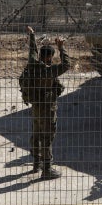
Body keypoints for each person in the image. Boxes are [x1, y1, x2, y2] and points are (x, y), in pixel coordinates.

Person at [19, 25, 71, 180]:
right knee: (47, 137)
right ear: (48, 58)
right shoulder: (49, 71)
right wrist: (62, 48)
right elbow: (66, 64)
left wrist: (32, 35)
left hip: (35, 107)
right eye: (52, 57)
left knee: (36, 134)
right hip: (48, 108)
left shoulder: (33, 65)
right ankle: (47, 169)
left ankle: (36, 163)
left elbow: (32, 51)